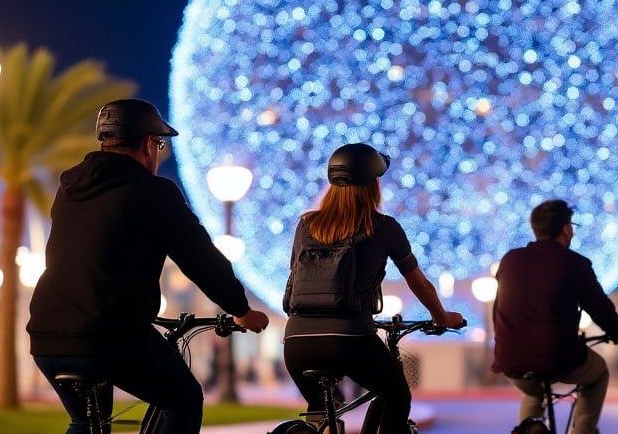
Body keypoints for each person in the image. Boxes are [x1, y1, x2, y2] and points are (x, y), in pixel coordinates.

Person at [26, 98, 269, 434]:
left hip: (47, 335)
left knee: (87, 423)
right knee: (183, 400)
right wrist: (241, 309)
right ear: (147, 144)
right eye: (159, 144)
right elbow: (199, 257)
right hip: (107, 335)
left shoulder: (69, 189)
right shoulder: (153, 192)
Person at [281, 143, 465, 434]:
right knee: (396, 394)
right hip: (349, 339)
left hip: (296, 343)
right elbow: (418, 283)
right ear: (372, 185)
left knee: (322, 411)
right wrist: (442, 317)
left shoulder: (306, 225)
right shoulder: (383, 226)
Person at [492, 199, 618, 434]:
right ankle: (583, 430)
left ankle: (530, 426)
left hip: (509, 358)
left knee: (533, 391)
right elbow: (599, 307)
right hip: (557, 357)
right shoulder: (575, 263)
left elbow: (498, 308)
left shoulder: (510, 259)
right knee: (598, 373)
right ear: (566, 229)